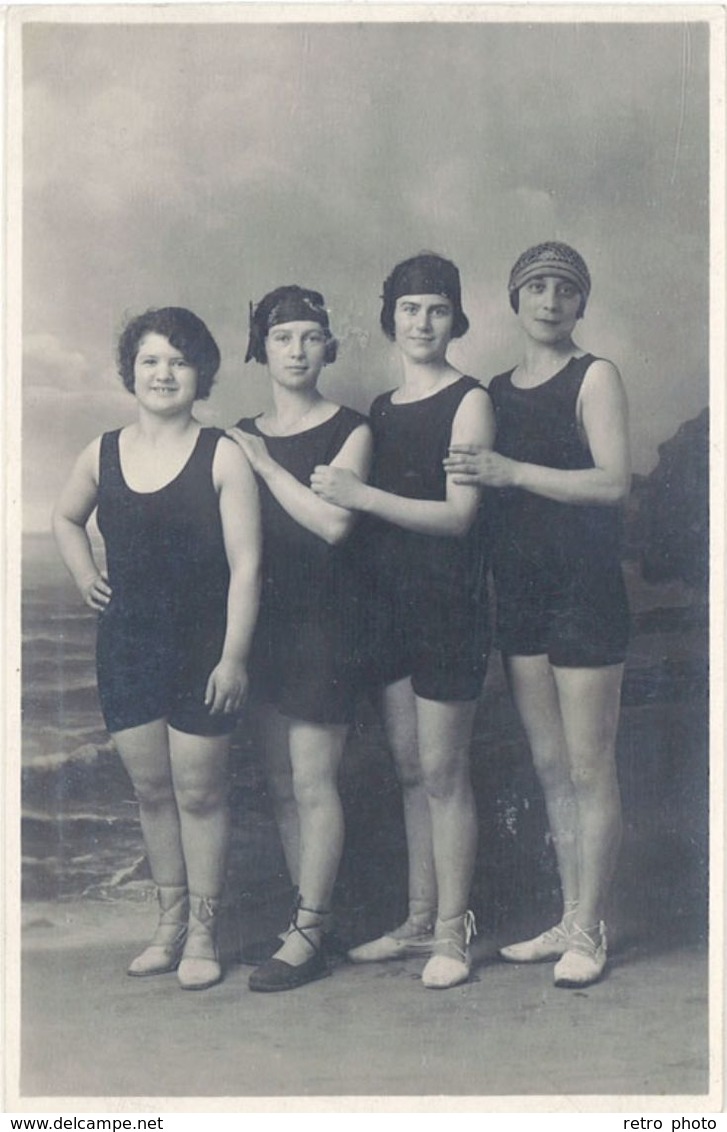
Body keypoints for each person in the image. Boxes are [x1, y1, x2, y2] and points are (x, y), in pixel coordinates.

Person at [53, 307, 261, 991]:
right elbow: (65, 516)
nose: (163, 372)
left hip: (203, 648)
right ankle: (169, 926)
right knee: (150, 792)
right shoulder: (102, 451)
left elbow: (248, 567)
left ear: (200, 372)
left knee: (198, 793)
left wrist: (233, 657)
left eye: (177, 359)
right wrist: (86, 575)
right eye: (150, 360)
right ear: (130, 372)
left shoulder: (222, 452)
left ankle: (204, 931)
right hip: (128, 647)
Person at [444, 241, 631, 987]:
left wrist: (511, 472)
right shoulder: (492, 389)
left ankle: (591, 927)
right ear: (514, 301)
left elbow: (612, 482)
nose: (549, 301)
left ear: (580, 304)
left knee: (589, 767)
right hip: (518, 594)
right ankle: (568, 919)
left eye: (563, 290)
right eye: (536, 289)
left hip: (584, 592)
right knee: (550, 767)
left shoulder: (596, 376)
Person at [311, 253, 494, 989]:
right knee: (411, 769)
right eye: (410, 308)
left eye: (438, 309)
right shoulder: (382, 409)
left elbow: (457, 518)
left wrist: (358, 495)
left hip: (448, 607)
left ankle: (453, 932)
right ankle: (420, 920)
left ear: (456, 319)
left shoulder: (470, 401)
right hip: (388, 609)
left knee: (445, 773)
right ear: (390, 317)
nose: (423, 322)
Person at [227, 285, 372, 992]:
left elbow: (333, 524)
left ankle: (310, 930)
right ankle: (307, 922)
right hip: (263, 623)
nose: (296, 350)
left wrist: (263, 465)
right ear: (261, 348)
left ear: (328, 347)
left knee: (314, 781)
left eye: (311, 336)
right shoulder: (236, 430)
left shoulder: (351, 428)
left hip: (326, 622)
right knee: (281, 784)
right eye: (282, 336)